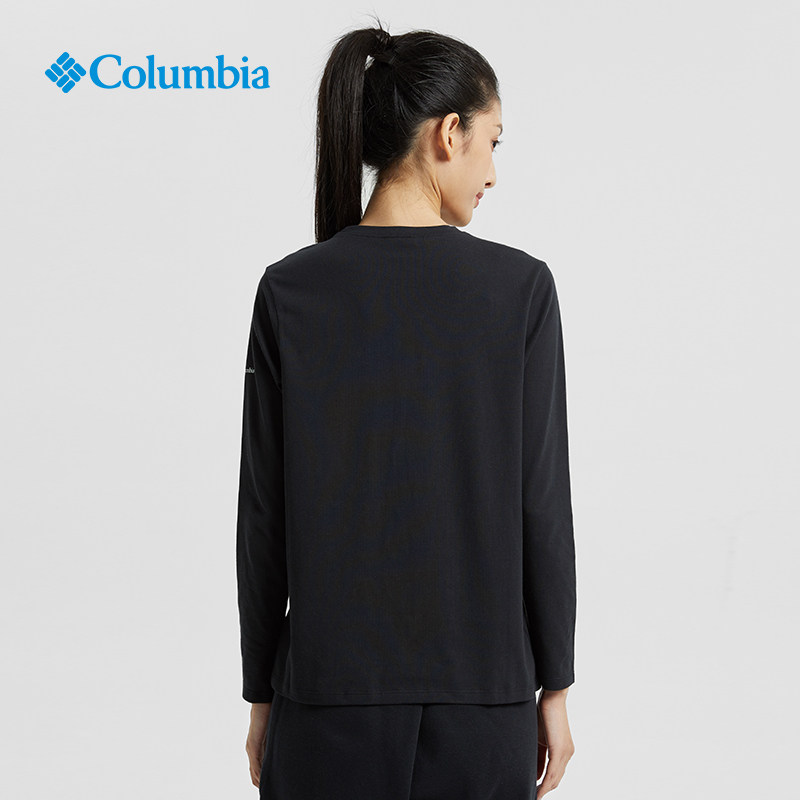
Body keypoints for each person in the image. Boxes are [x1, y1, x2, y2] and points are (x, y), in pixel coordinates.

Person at [236, 19, 577, 800]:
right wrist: (554, 687)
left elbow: (263, 515)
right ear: (449, 134)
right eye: (492, 142)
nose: (493, 172)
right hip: (484, 700)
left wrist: (262, 691)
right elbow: (542, 508)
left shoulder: (290, 291)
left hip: (323, 702)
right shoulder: (520, 291)